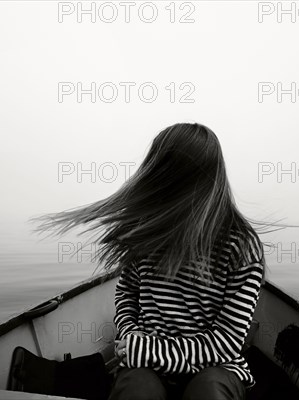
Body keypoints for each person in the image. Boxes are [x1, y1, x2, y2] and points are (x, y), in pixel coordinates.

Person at [34, 122, 267, 400]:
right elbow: (126, 293)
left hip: (215, 366)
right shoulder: (148, 233)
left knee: (209, 391)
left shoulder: (241, 246)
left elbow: (226, 343)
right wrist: (130, 334)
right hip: (146, 364)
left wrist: (146, 351)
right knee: (136, 389)